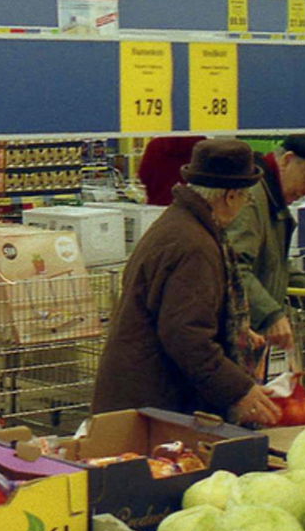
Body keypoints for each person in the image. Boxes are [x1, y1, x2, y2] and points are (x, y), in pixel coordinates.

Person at [92, 139, 280, 425]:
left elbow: (180, 313)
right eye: (245, 197)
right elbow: (186, 335)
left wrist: (232, 329)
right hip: (150, 405)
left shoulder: (179, 224)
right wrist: (240, 390)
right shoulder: (195, 246)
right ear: (231, 196)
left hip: (135, 393)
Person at [223, 135, 305, 351]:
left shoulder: (271, 199)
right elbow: (234, 269)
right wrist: (271, 314)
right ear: (287, 160)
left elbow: (274, 263)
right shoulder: (251, 199)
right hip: (234, 334)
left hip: (248, 333)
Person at [137, 135, 204, 206]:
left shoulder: (154, 145)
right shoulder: (202, 145)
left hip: (158, 207)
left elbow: (144, 175)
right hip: (194, 209)